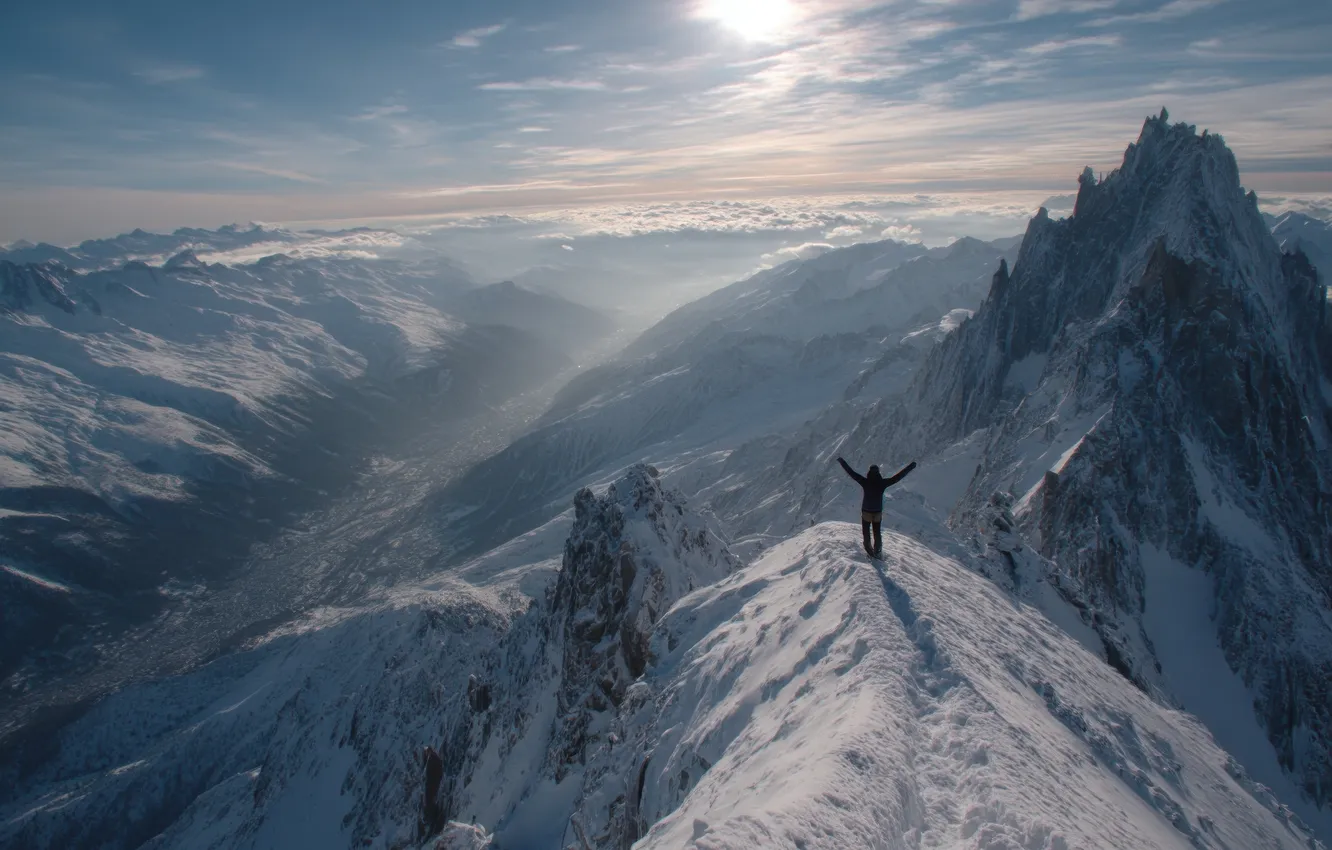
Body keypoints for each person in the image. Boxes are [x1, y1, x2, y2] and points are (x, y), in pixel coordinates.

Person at [837, 456, 916, 557]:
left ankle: (869, 550)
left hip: (866, 512)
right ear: (878, 472)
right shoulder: (882, 483)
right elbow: (898, 477)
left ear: (869, 473)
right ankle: (877, 551)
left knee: (866, 533)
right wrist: (911, 467)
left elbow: (851, 473)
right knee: (877, 533)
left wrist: (842, 461)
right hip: (877, 512)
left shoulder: (865, 482)